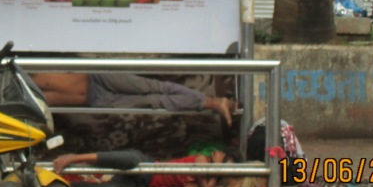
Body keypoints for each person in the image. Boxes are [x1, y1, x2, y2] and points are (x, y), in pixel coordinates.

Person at [32, 72, 236, 125]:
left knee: (153, 87)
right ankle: (214, 102)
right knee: (155, 101)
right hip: (97, 101)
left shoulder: (20, 72)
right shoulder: (19, 100)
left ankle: (215, 102)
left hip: (96, 78)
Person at [52, 148, 236, 187]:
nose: (219, 154)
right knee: (127, 159)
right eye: (224, 160)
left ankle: (63, 184)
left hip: (141, 182)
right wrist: (217, 168)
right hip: (145, 164)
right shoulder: (202, 160)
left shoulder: (200, 180)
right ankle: (73, 157)